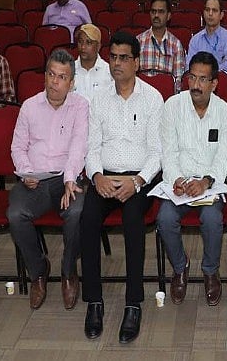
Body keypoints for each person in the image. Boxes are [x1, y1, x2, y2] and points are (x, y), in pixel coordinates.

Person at [81, 32, 163, 343]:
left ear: (137, 63)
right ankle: (95, 301)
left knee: (132, 222)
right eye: (113, 57)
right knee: (87, 220)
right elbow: (92, 146)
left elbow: (158, 152)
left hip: (137, 179)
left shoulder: (153, 98)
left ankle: (133, 302)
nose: (116, 63)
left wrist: (138, 181)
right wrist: (96, 176)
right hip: (104, 177)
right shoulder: (99, 98)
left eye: (123, 58)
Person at [8, 49, 89, 311]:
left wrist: (69, 179)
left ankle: (68, 271)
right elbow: (17, 147)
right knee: (16, 214)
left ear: (71, 82)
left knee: (77, 212)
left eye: (62, 77)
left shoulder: (80, 106)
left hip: (67, 177)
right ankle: (39, 270)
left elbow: (79, 146)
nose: (55, 82)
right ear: (45, 76)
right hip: (35, 179)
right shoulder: (29, 107)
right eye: (51, 75)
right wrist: (27, 171)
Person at [156, 52, 227, 306]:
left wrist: (206, 182)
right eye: (192, 78)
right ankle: (180, 266)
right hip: (179, 183)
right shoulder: (172, 107)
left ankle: (210, 270)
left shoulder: (225, 112)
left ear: (214, 84)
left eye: (203, 80)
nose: (196, 85)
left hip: (209, 185)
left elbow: (224, 157)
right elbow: (167, 152)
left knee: (212, 219)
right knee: (165, 218)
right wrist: (177, 179)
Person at [137, 0, 185, 93]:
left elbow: (178, 81)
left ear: (168, 16)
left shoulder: (176, 45)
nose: (156, 15)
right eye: (153, 11)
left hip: (167, 99)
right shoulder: (138, 41)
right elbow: (132, 76)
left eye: (161, 12)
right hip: (142, 97)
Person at [187, 0, 227, 85]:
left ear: (221, 15)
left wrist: (204, 74)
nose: (210, 14)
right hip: (199, 84)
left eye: (214, 10)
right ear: (203, 13)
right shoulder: (195, 40)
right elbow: (189, 66)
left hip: (223, 83)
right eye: (207, 10)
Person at [73, 24, 112, 101]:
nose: (83, 47)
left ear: (98, 46)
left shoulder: (109, 72)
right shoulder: (68, 70)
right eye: (80, 42)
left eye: (89, 43)